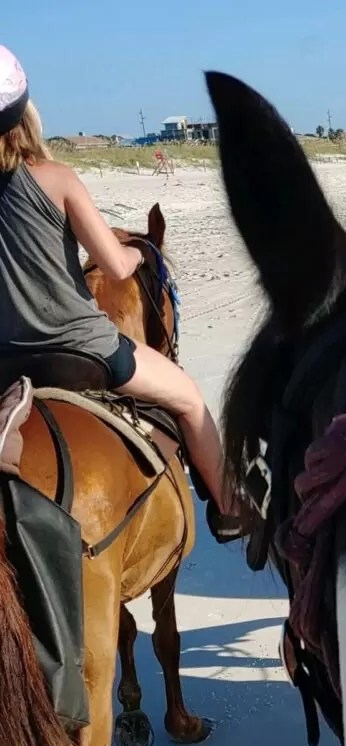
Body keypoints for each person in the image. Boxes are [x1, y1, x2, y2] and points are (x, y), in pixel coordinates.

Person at [0, 45, 243, 537]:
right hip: (82, 349)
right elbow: (112, 265)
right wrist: (134, 254)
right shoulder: (57, 179)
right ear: (25, 112)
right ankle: (229, 510)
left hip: (6, 359)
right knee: (191, 400)